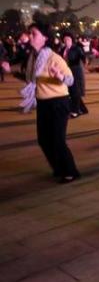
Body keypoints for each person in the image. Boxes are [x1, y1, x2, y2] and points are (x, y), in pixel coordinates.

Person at [1, 22, 80, 183]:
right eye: (29, 33)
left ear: (45, 38)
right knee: (43, 140)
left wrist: (60, 77)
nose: (30, 36)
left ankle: (70, 171)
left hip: (59, 103)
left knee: (57, 140)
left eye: (34, 33)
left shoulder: (53, 57)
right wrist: (12, 72)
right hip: (43, 103)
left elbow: (71, 80)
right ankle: (58, 168)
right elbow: (31, 79)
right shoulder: (33, 58)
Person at [61, 32, 88, 118]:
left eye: (68, 39)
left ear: (72, 40)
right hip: (66, 72)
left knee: (74, 92)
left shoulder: (76, 48)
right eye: (65, 40)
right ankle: (83, 109)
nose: (66, 41)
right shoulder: (63, 49)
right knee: (71, 92)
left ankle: (75, 111)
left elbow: (82, 56)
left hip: (75, 72)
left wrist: (85, 61)